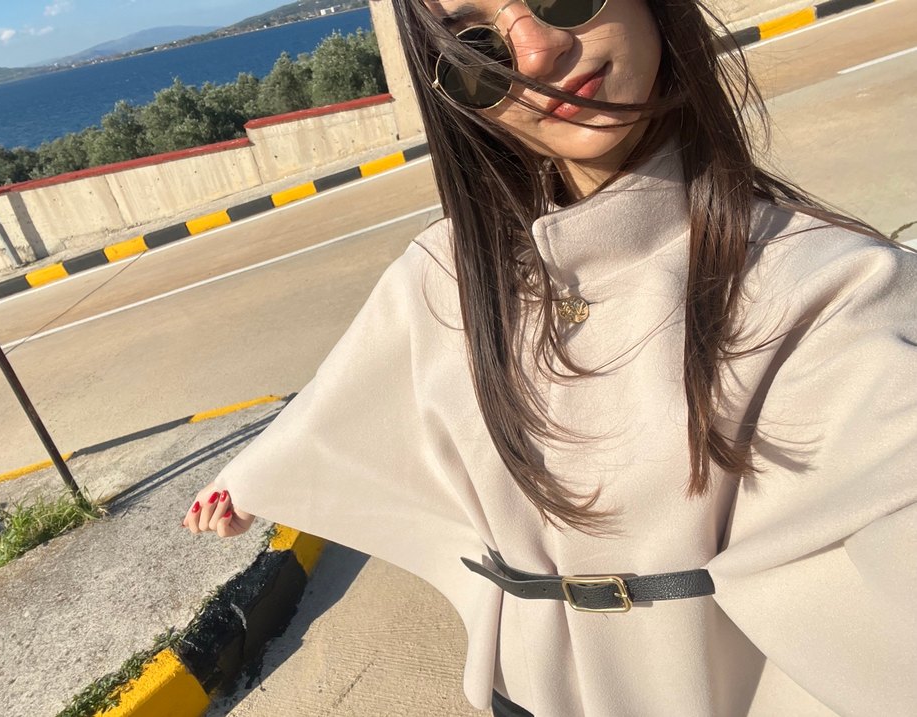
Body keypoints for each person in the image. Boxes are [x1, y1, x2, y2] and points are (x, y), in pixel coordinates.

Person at [182, 0, 917, 714]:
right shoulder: (448, 272)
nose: (533, 54)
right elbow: (353, 389)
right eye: (476, 45)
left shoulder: (833, 289)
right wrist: (258, 478)